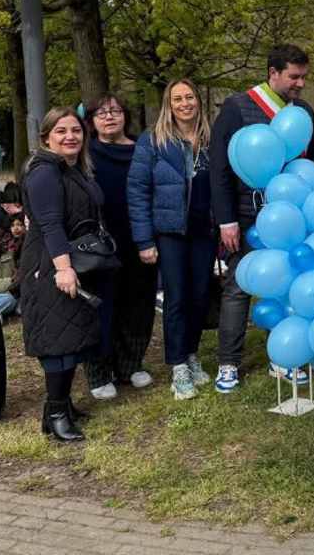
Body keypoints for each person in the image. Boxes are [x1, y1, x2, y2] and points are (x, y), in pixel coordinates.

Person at [210, 45, 314, 393]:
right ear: (273, 73)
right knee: (240, 288)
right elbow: (221, 169)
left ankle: (282, 357)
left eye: (303, 77)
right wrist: (226, 220)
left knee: (284, 287)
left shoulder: (304, 112)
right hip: (243, 216)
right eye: (294, 76)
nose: (300, 84)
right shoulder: (237, 106)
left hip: (288, 218)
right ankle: (228, 363)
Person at [19, 108, 107, 442]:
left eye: (76, 130)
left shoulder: (70, 169)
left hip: (62, 259)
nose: (70, 136)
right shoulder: (44, 172)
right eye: (61, 131)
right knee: (57, 340)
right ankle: (55, 413)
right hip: (49, 264)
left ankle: (61, 407)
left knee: (69, 336)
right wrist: (63, 268)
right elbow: (51, 224)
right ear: (46, 138)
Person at [127, 80, 215, 400]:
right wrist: (144, 241)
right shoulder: (153, 141)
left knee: (199, 296)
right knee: (176, 299)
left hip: (203, 231)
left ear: (198, 101)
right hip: (170, 231)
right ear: (169, 104)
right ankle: (178, 367)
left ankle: (191, 354)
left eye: (190, 96)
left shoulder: (210, 139)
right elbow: (137, 191)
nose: (185, 103)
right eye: (177, 98)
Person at [84, 92, 159, 400]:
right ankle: (99, 371)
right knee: (102, 307)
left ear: (126, 116)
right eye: (101, 113)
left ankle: (130, 364)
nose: (109, 117)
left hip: (138, 237)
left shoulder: (144, 149)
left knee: (138, 302)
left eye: (115, 111)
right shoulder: (85, 152)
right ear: (91, 120)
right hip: (98, 243)